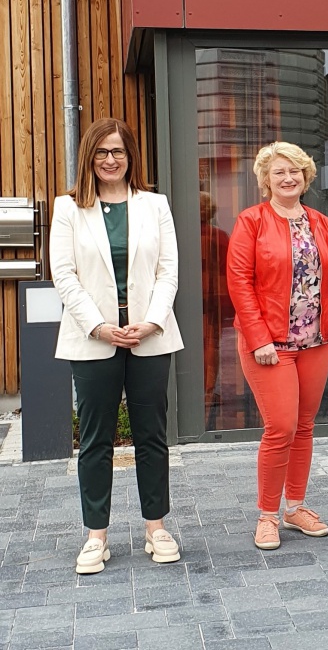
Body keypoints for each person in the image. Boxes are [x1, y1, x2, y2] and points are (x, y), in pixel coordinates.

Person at [50, 117, 184, 574]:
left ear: (131, 157)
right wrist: (99, 326)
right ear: (89, 157)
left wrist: (152, 322)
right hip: (93, 340)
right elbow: (64, 275)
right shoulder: (68, 208)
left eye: (118, 151)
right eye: (102, 152)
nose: (110, 159)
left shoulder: (155, 205)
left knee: (152, 437)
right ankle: (96, 536)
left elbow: (168, 270)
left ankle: (156, 528)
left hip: (150, 336)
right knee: (95, 441)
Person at [227, 141, 328, 551]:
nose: (288, 178)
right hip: (270, 346)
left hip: (316, 342)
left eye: (295, 170)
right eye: (279, 172)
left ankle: (295, 508)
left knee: (303, 426)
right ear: (266, 180)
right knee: (280, 427)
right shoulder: (251, 221)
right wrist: (259, 338)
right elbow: (240, 284)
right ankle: (267, 515)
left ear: (306, 176)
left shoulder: (321, 223)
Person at [199, 191, 232, 428]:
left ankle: (204, 392)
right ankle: (207, 392)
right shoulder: (218, 236)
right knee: (211, 346)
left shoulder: (181, 234)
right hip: (212, 302)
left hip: (193, 300)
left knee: (203, 346)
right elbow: (227, 271)